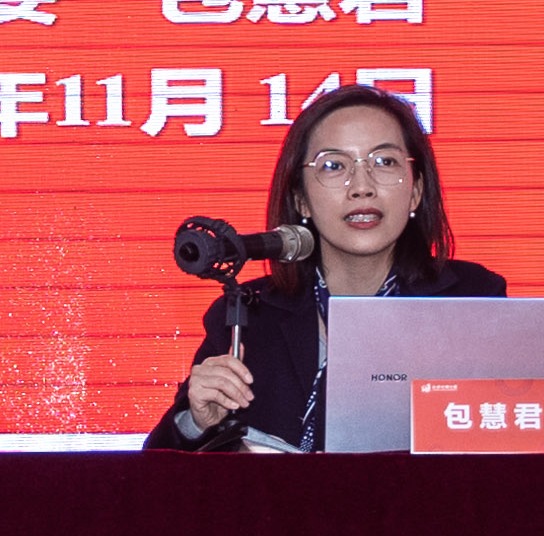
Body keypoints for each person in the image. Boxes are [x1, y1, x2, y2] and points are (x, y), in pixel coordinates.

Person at [152, 84, 508, 450]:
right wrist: (196, 422)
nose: (362, 187)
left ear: (415, 191)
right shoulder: (248, 317)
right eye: (334, 166)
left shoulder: (474, 299)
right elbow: (154, 468)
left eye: (384, 162)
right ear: (301, 200)